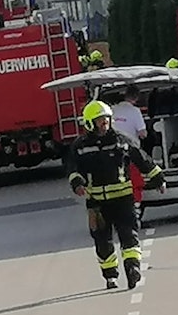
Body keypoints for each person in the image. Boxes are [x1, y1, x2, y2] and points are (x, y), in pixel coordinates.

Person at [67, 100, 166, 290]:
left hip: (123, 200)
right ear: (89, 123)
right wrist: (77, 183)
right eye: (100, 121)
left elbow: (142, 159)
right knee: (102, 241)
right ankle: (110, 276)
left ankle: (133, 269)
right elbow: (72, 169)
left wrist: (158, 178)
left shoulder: (122, 140)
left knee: (129, 235)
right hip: (96, 203)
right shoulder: (79, 146)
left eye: (106, 120)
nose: (104, 124)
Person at [112, 85, 149, 218]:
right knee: (134, 183)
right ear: (136, 98)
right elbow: (142, 134)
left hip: (112, 152)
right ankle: (135, 211)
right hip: (131, 153)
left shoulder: (113, 109)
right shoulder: (135, 111)